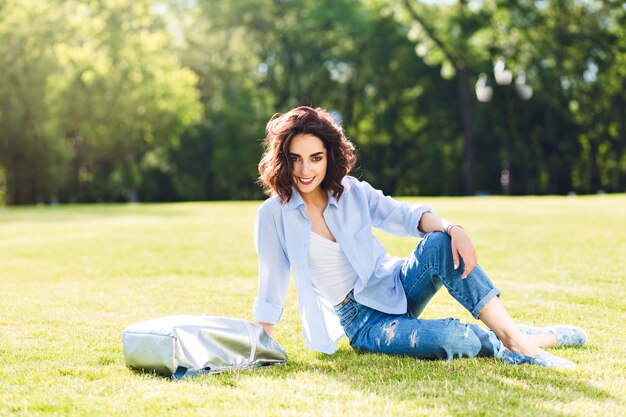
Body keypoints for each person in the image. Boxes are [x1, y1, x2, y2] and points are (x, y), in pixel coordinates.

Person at [252, 106, 586, 368]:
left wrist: (454, 228)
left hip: (396, 284)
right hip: (364, 323)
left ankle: (518, 345)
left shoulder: (350, 192)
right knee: (450, 338)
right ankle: (530, 336)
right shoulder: (273, 215)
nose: (305, 170)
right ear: (282, 159)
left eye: (315, 158)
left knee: (441, 241)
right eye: (295, 159)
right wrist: (258, 346)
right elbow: (272, 284)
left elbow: (405, 216)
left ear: (330, 157)